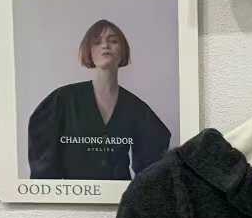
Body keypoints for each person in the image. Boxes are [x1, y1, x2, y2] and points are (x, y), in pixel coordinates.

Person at [27, 19, 170, 179]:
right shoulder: (62, 100)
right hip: (76, 193)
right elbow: (43, 164)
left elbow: (153, 158)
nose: (105, 45)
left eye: (113, 41)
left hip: (118, 193)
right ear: (88, 52)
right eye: (97, 42)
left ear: (123, 51)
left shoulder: (136, 108)